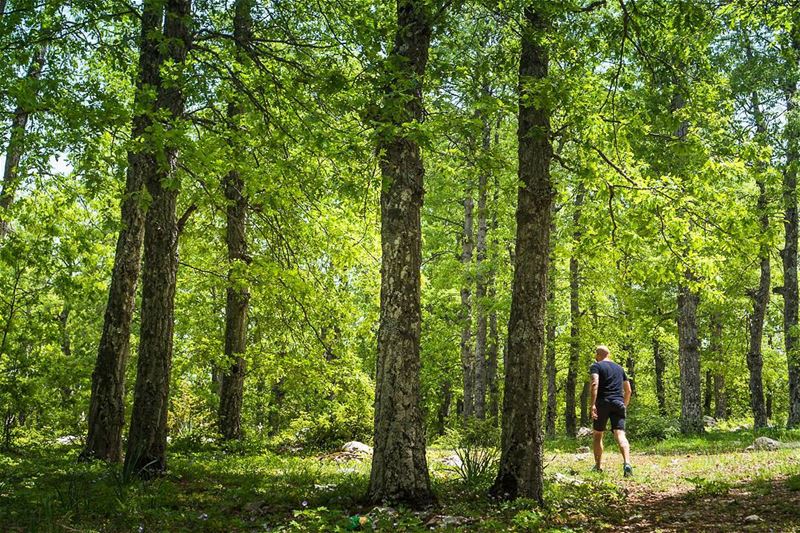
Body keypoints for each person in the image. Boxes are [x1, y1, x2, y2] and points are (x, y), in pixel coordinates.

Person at [589, 345, 633, 477]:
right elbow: (628, 390)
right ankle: (627, 463)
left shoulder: (596, 366)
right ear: (609, 354)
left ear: (598, 355)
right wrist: (624, 405)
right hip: (618, 403)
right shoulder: (620, 368)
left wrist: (592, 405)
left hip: (602, 403)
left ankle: (598, 466)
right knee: (620, 434)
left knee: (598, 435)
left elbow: (594, 384)